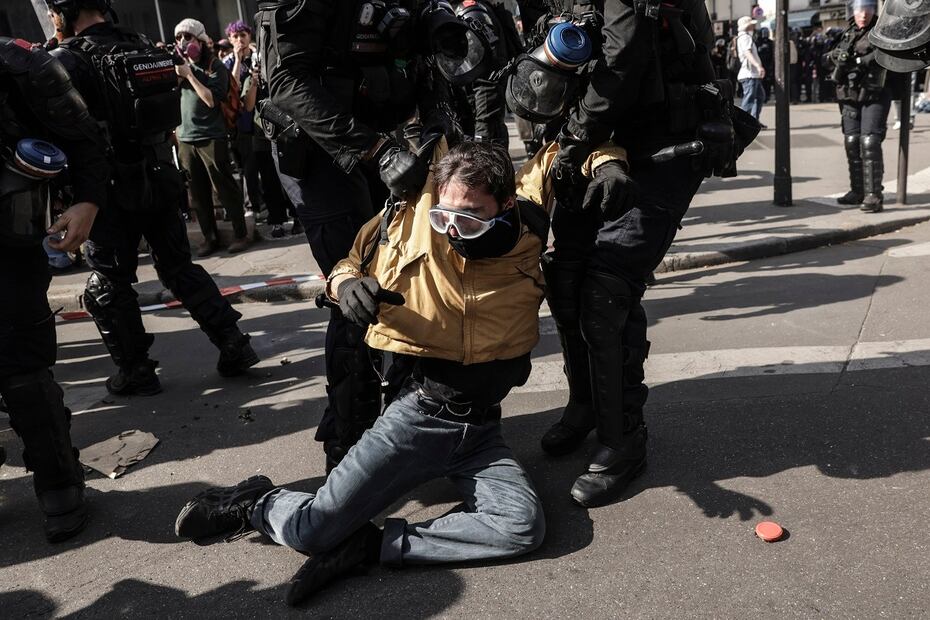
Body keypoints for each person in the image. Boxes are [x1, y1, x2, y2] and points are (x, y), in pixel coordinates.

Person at [174, 141, 563, 606]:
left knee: (522, 527)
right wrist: (347, 287)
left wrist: (607, 164)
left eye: (472, 217)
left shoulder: (530, 225)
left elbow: (572, 143)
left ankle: (370, 546)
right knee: (310, 530)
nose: (454, 229)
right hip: (417, 418)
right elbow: (345, 266)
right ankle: (256, 502)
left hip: (479, 432)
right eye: (444, 216)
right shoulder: (405, 223)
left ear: (504, 205)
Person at [544, 0, 758, 507]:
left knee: (607, 287)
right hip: (598, 136)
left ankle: (624, 440)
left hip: (660, 139)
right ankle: (586, 407)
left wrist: (576, 134)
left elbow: (623, 57)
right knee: (566, 273)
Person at [258, 0, 474, 471]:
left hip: (387, 142)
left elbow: (424, 68)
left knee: (405, 281)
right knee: (354, 292)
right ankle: (347, 446)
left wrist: (439, 122)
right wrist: (374, 151)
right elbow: (287, 83)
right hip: (320, 152)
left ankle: (406, 426)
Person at [48, 0, 260, 396]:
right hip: (162, 173)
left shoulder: (70, 60)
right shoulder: (142, 44)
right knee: (179, 267)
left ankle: (136, 371)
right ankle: (234, 343)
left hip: (108, 186)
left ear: (63, 13)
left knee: (108, 282)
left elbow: (65, 129)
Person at [0, 35, 108, 541]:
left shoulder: (18, 64)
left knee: (21, 361)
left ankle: (60, 486)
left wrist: (87, 201)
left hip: (8, 242)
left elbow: (86, 138)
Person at [173, 18, 250, 256]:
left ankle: (240, 234)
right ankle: (210, 237)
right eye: (179, 38)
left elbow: (209, 99)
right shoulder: (179, 66)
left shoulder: (215, 66)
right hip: (186, 138)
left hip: (211, 137)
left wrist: (190, 75)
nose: (183, 42)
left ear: (200, 40)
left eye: (188, 37)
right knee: (198, 194)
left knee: (224, 186)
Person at [824, 0, 892, 213]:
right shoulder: (845, 34)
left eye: (868, 9)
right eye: (860, 10)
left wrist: (861, 62)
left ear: (874, 11)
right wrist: (835, 58)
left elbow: (886, 55)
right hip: (849, 94)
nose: (863, 14)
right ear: (853, 11)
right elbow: (826, 59)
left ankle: (873, 195)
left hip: (874, 93)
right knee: (852, 141)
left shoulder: (882, 32)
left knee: (869, 141)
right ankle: (858, 191)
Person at [223, 20, 262, 215]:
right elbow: (232, 88)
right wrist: (238, 61)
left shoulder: (257, 57)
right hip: (237, 124)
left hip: (256, 121)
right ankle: (251, 205)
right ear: (230, 39)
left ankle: (257, 205)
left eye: (243, 35)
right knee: (243, 168)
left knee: (257, 166)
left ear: (249, 36)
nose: (239, 40)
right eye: (235, 36)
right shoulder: (228, 62)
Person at [736, 16, 766, 121]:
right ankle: (742, 123)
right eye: (751, 24)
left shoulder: (745, 37)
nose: (753, 26)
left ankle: (752, 121)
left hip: (751, 74)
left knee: (759, 97)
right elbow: (747, 53)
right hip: (749, 74)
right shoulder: (745, 37)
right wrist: (758, 66)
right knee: (749, 100)